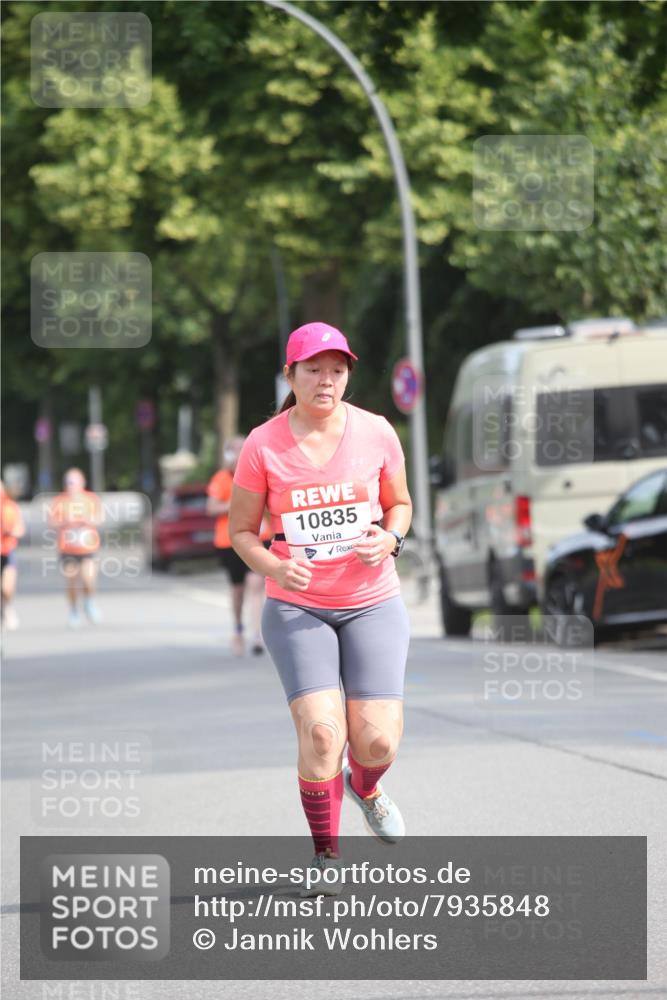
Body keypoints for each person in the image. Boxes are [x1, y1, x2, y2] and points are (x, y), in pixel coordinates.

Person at [229, 321, 412, 890]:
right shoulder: (263, 444)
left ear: (348, 375)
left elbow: (400, 504)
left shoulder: (377, 432)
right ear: (291, 375)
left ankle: (367, 786)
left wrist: (390, 538)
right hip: (297, 607)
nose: (326, 380)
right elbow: (241, 532)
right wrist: (276, 566)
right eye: (313, 369)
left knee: (376, 741)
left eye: (337, 369)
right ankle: (326, 856)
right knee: (322, 735)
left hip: (372, 600)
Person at [207, 438, 271, 656]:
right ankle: (237, 628)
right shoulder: (222, 479)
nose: (239, 454)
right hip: (229, 541)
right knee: (238, 590)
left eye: (242, 449)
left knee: (256, 583)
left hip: (260, 536)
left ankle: (258, 634)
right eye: (234, 451)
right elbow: (211, 508)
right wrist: (237, 504)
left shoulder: (261, 472)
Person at [49, 468, 102, 628]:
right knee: (72, 583)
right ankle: (73, 610)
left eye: (74, 482)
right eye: (68, 482)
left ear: (82, 482)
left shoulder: (90, 499)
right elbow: (51, 522)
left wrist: (87, 520)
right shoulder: (60, 501)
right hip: (68, 549)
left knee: (88, 579)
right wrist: (66, 521)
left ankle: (89, 602)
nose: (71, 485)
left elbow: (100, 518)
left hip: (87, 547)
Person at [1, 480, 26, 630]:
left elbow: (20, 529)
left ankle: (7, 607)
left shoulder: (10, 507)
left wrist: (10, 531)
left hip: (6, 551)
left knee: (7, 587)